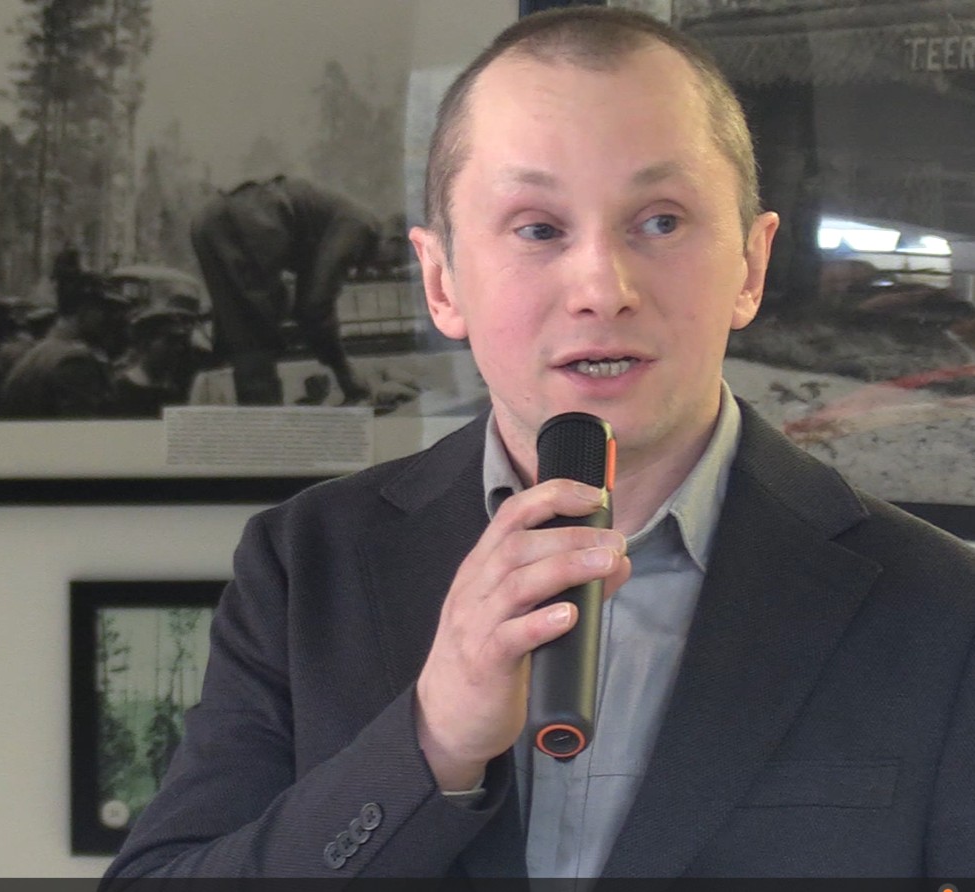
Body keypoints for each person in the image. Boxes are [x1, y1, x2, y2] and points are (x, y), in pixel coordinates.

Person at [103, 8, 975, 880]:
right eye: (537, 228)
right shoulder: (305, 564)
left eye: (661, 221)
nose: (601, 288)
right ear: (442, 282)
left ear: (749, 265)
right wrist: (430, 741)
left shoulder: (942, 605)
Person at [189, 174, 378, 406]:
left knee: (243, 332)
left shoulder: (331, 220)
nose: (367, 273)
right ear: (395, 241)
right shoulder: (361, 224)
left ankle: (260, 413)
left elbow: (306, 303)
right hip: (249, 216)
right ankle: (265, 415)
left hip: (207, 219)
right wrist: (344, 371)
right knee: (254, 333)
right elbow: (315, 305)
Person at [1, 271, 130, 418]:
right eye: (104, 311)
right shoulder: (75, 361)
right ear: (84, 309)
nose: (108, 320)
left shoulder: (37, 353)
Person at [109, 296, 200, 418]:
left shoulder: (176, 391)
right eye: (170, 341)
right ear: (145, 343)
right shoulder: (119, 392)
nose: (179, 348)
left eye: (180, 341)